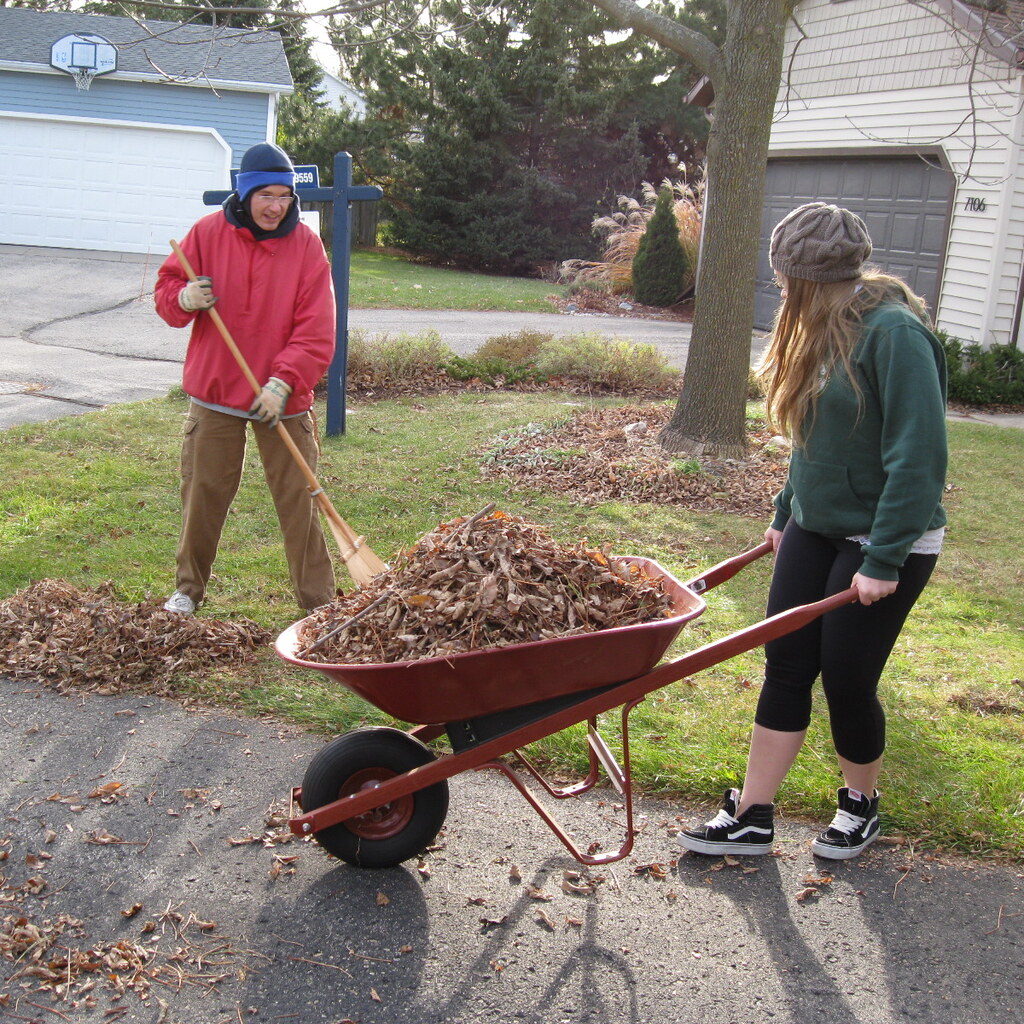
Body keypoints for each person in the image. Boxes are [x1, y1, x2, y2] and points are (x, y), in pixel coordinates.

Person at [678, 202, 948, 861]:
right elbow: (811, 440)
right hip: (816, 525)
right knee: (788, 661)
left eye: (789, 278)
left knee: (847, 677)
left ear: (813, 277)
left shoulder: (893, 335)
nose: (782, 289)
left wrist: (884, 559)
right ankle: (752, 814)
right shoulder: (822, 323)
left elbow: (918, 458)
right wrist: (784, 513)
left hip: (888, 539)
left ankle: (861, 806)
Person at [155, 142, 337, 616]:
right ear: (245, 192)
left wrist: (285, 381)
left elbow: (317, 328)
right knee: (203, 495)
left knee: (300, 498)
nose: (276, 206)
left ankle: (318, 602)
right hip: (216, 391)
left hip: (283, 398)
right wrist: (185, 298)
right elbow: (168, 290)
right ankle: (187, 591)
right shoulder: (207, 234)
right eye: (265, 195)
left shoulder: (305, 246)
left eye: (284, 196)